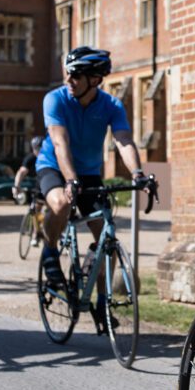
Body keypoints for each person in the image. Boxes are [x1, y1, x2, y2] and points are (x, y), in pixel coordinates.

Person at [36, 47, 143, 314]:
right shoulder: (55, 99)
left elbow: (123, 140)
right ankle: (49, 249)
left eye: (76, 76)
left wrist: (138, 173)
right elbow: (60, 143)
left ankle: (101, 303)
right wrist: (70, 180)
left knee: (107, 237)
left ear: (95, 79)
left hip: (89, 173)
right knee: (61, 204)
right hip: (53, 166)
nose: (68, 81)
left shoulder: (111, 105)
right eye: (68, 74)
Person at [12, 136, 44, 201]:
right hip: (34, 185)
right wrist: (16, 186)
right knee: (36, 205)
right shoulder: (30, 158)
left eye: (39, 149)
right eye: (35, 148)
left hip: (47, 183)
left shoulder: (50, 158)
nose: (37, 151)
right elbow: (21, 172)